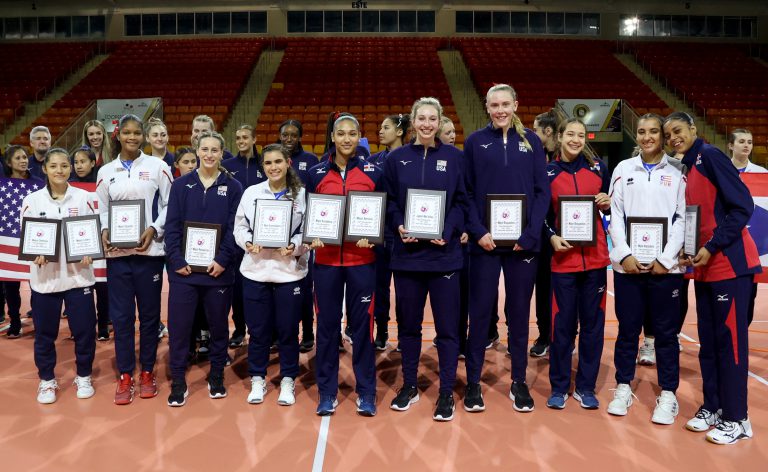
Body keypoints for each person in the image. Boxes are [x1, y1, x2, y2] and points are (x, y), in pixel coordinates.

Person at [664, 112, 761, 444]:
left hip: (729, 267)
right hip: (704, 269)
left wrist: (713, 245)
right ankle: (715, 407)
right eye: (668, 135)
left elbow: (742, 206)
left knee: (730, 345)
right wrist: (689, 250)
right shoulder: (688, 167)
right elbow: (697, 220)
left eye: (678, 130)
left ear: (693, 129)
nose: (673, 137)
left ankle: (738, 418)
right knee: (710, 345)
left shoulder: (711, 156)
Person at [462, 84, 550, 413]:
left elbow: (542, 191)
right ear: (486, 107)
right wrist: (478, 230)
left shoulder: (532, 141)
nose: (500, 110)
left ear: (516, 104)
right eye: (494, 104)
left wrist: (529, 234)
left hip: (522, 245)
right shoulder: (474, 142)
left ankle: (518, 382)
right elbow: (466, 192)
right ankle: (473, 382)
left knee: (519, 314)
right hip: (484, 243)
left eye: (505, 104)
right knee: (480, 313)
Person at [383, 97, 467, 421]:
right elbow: (389, 202)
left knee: (447, 330)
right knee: (408, 327)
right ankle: (410, 386)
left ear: (440, 121)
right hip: (406, 258)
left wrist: (448, 228)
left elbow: (461, 201)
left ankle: (446, 391)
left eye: (433, 119)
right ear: (413, 122)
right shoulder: (397, 159)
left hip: (445, 257)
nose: (428, 124)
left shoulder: (455, 158)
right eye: (422, 118)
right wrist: (398, 224)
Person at [606, 113, 686, 424]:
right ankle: (623, 386)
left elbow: (682, 217)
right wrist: (623, 254)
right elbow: (615, 214)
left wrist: (666, 259)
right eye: (641, 131)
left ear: (663, 136)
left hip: (666, 269)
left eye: (653, 131)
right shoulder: (624, 168)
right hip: (628, 268)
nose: (647, 137)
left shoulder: (679, 170)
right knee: (627, 330)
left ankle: (668, 393)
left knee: (666, 333)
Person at [305, 112, 381, 417]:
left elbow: (383, 213)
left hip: (362, 261)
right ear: (333, 137)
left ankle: (366, 392)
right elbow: (309, 211)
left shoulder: (374, 171)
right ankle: (327, 392)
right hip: (325, 262)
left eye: (352, 134)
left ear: (359, 136)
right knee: (326, 329)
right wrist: (312, 237)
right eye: (341, 134)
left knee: (363, 329)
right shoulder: (316, 172)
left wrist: (373, 238)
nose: (347, 139)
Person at [96, 114, 173, 405]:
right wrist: (104, 229)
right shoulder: (106, 171)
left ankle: (148, 371)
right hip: (118, 256)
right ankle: (126, 373)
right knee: (122, 317)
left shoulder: (158, 167)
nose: (132, 137)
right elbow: (103, 209)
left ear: (143, 136)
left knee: (150, 316)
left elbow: (169, 204)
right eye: (126, 132)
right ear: (118, 136)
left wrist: (154, 229)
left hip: (148, 254)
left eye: (136, 133)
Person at [164, 131, 242, 406]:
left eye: (215, 150)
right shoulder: (180, 185)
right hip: (183, 273)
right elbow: (172, 226)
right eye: (205, 149)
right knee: (179, 328)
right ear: (197, 151)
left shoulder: (234, 188)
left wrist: (223, 259)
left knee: (219, 328)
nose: (209, 154)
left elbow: (235, 230)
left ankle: (217, 375)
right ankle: (178, 381)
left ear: (222, 153)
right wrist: (176, 261)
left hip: (218, 273)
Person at [20, 147, 98, 403]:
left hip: (79, 278)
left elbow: (91, 233)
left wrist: (89, 250)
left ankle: (84, 375)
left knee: (85, 331)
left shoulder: (83, 198)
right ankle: (47, 381)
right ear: (45, 168)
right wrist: (34, 253)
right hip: (46, 281)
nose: (60, 171)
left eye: (65, 165)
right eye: (54, 166)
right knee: (45, 334)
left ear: (71, 168)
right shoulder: (32, 201)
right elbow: (28, 238)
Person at [544, 119, 611, 410]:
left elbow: (610, 206)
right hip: (563, 262)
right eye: (570, 134)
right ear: (559, 137)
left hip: (595, 261)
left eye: (580, 135)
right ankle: (559, 386)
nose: (575, 139)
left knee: (593, 327)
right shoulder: (546, 173)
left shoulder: (597, 169)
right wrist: (551, 237)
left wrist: (609, 202)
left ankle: (585, 386)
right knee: (562, 327)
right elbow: (542, 216)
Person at [234, 143, 308, 405]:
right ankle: (258, 378)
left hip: (289, 274)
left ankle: (287, 379)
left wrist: (295, 246)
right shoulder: (251, 193)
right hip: (255, 271)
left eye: (278, 161)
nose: (273, 167)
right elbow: (239, 228)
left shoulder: (301, 195)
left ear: (288, 163)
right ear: (262, 166)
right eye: (268, 163)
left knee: (288, 331)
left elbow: (307, 233)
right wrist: (248, 243)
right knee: (258, 331)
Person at [222, 124, 266, 349]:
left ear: (254, 139)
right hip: (238, 233)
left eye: (245, 137)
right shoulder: (227, 166)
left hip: (266, 233)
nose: (241, 141)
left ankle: (264, 331)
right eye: (237, 137)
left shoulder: (264, 164)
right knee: (237, 286)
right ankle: (239, 329)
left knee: (263, 284)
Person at [368, 114, 410, 350]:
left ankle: (405, 333)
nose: (380, 131)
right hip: (379, 233)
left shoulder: (411, 157)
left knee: (405, 288)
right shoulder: (373, 161)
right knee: (380, 286)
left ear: (400, 131)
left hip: (404, 232)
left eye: (386, 127)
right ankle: (381, 330)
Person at [278, 119, 320, 351]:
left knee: (305, 286)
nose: (289, 139)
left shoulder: (311, 161)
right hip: (275, 233)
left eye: (294, 135)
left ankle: (307, 333)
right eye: (285, 135)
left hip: (303, 235)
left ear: (300, 137)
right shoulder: (274, 157)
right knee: (278, 285)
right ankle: (282, 332)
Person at [2, 145, 45, 338]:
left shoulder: (38, 183)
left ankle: (39, 318)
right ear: (9, 163)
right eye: (18, 158)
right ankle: (15, 321)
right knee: (11, 285)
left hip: (34, 238)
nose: (23, 160)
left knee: (36, 281)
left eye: (24, 157)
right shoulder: (2, 185)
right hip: (9, 238)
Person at [528, 109, 560, 357]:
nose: (532, 134)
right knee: (541, 287)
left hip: (563, 236)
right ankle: (543, 334)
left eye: (536, 129)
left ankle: (562, 334)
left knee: (561, 289)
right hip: (538, 234)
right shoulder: (535, 157)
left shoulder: (564, 161)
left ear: (548, 131)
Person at [729, 128, 766, 326]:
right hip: (726, 240)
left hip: (752, 243)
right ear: (730, 145)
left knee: (748, 294)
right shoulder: (721, 170)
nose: (746, 145)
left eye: (749, 142)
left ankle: (742, 331)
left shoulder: (763, 175)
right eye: (741, 141)